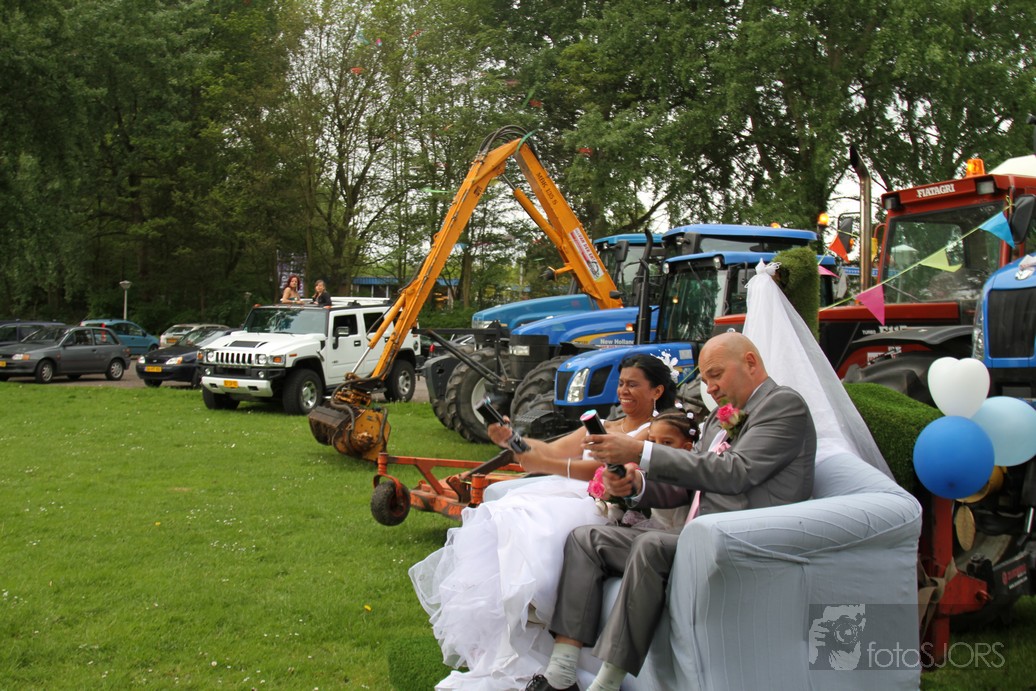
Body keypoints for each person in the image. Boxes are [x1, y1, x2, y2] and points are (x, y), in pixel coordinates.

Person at [527, 331, 817, 691]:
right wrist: (636, 486)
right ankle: (561, 673)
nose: (710, 387)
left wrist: (640, 452)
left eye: (716, 374)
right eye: (705, 379)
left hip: (742, 537)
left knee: (651, 544)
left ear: (750, 363)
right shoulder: (720, 418)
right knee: (586, 539)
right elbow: (691, 483)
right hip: (694, 535)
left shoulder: (783, 405)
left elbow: (735, 473)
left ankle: (607, 683)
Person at [409, 354, 680, 691]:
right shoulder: (604, 425)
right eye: (621, 383)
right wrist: (511, 439)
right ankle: (519, 618)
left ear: (656, 391)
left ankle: (533, 606)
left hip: (603, 504)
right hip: (573, 492)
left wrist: (546, 465)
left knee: (534, 518)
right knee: (508, 510)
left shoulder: (655, 433)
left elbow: (600, 470)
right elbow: (552, 451)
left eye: (633, 384)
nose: (623, 390)